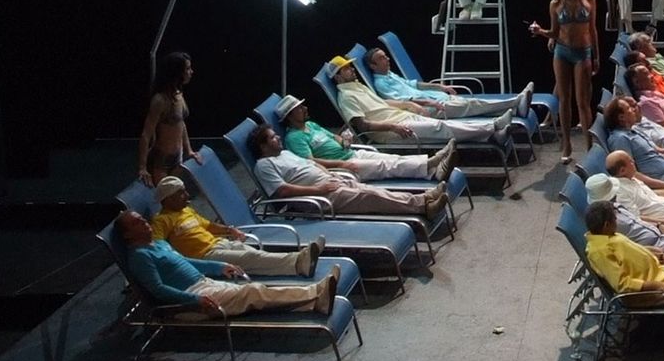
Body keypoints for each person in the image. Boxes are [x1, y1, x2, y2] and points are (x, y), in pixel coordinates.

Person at [117, 210, 340, 318]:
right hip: (192, 301)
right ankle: (314, 293)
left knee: (254, 293)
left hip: (204, 283)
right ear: (128, 235)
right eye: (137, 223)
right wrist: (194, 299)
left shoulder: (159, 244)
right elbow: (158, 290)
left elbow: (185, 261)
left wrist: (218, 267)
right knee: (254, 292)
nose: (144, 222)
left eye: (142, 219)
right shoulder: (139, 256)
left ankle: (314, 301)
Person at [247, 124, 450, 219]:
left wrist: (330, 174)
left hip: (331, 181)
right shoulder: (264, 165)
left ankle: (424, 198)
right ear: (263, 146)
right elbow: (282, 191)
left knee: (375, 192)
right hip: (317, 198)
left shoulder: (284, 154)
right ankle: (423, 206)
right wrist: (320, 188)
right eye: (273, 138)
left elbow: (310, 164)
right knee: (369, 196)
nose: (278, 138)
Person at [149, 176, 324, 277]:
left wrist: (229, 230)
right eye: (181, 193)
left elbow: (208, 225)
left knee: (255, 254)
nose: (187, 195)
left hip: (218, 243)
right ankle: (298, 261)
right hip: (203, 256)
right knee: (250, 258)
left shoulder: (186, 210)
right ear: (168, 198)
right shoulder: (161, 220)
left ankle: (297, 261)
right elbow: (157, 247)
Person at [328, 55, 519, 145]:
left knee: (439, 125)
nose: (351, 70)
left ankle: (494, 132)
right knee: (440, 128)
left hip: (401, 116)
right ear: (337, 76)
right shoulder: (346, 96)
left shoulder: (359, 86)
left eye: (351, 67)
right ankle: (494, 127)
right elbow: (362, 125)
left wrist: (407, 105)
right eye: (346, 69)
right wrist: (393, 127)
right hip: (391, 130)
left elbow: (383, 104)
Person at [278, 94, 458, 181]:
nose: (305, 109)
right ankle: (433, 162)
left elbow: (333, 136)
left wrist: (344, 141)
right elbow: (310, 162)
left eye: (303, 106)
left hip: (350, 154)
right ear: (289, 116)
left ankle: (434, 170)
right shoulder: (294, 138)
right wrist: (341, 164)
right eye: (299, 108)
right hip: (343, 167)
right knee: (386, 166)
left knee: (391, 158)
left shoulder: (310, 125)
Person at [531, 0, 600, 163]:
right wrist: (541, 31)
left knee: (583, 101)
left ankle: (588, 145)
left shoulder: (589, 2)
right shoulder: (556, 4)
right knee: (564, 99)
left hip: (583, 52)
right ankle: (567, 144)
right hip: (562, 52)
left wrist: (596, 56)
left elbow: (593, 30)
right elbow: (554, 32)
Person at [361, 45, 521, 117]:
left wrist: (439, 86)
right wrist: (431, 103)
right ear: (373, 66)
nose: (387, 59)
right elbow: (404, 101)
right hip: (428, 109)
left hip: (436, 99)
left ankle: (514, 110)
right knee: (471, 105)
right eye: (381, 58)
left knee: (473, 105)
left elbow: (414, 84)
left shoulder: (391, 74)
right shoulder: (381, 84)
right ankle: (514, 102)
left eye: (385, 56)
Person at [137, 51, 204, 187]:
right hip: (161, 161)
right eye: (187, 69)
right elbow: (146, 135)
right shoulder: (160, 100)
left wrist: (189, 150)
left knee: (177, 195)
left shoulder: (178, 94)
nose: (191, 72)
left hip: (177, 158)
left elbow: (181, 123)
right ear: (177, 72)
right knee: (166, 199)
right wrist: (142, 168)